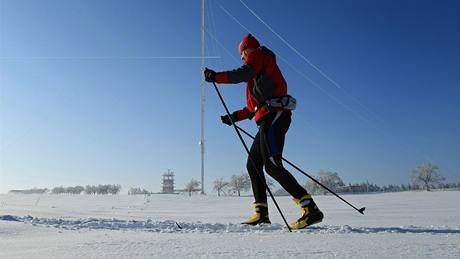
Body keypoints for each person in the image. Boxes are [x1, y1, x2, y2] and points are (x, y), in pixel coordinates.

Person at [203, 34, 324, 229]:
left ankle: (310, 208)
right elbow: (252, 108)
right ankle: (261, 213)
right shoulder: (257, 77)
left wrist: (216, 77)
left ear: (247, 50)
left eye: (242, 54)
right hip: (266, 119)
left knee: (272, 165)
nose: (243, 58)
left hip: (275, 116)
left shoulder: (259, 56)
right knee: (253, 164)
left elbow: (241, 73)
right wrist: (233, 117)